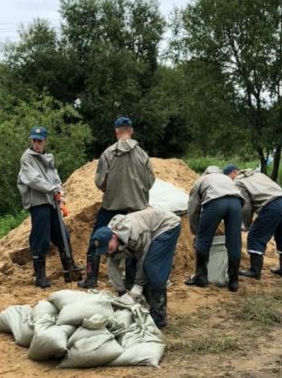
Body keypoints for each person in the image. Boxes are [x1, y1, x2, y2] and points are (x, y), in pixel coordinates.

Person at [77, 116, 155, 289]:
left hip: (112, 206)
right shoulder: (143, 155)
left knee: (97, 239)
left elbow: (100, 182)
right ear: (131, 131)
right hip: (136, 209)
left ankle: (91, 277)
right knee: (133, 244)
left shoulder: (108, 153)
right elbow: (150, 181)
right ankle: (131, 280)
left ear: (116, 132)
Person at [92, 207, 181, 329]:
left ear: (113, 237)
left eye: (108, 247)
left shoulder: (134, 233)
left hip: (165, 225)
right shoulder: (109, 238)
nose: (107, 251)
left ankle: (159, 318)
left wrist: (138, 285)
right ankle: (145, 306)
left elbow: (143, 256)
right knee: (131, 270)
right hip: (147, 234)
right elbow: (112, 264)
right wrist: (122, 292)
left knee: (152, 267)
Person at [17, 125, 81, 288]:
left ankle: (70, 268)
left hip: (52, 201)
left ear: (45, 141)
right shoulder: (27, 158)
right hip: (39, 203)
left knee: (62, 235)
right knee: (41, 239)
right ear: (31, 140)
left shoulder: (48, 158)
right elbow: (33, 179)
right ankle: (40, 276)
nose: (37, 143)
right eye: (34, 140)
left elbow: (56, 180)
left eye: (40, 141)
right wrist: (53, 190)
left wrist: (61, 197)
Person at [224, 165, 282, 280]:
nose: (229, 182)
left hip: (271, 207)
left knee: (255, 237)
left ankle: (255, 271)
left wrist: (245, 225)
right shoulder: (258, 174)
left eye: (228, 178)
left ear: (234, 173)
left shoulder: (238, 182)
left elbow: (246, 207)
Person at [185, 166, 244, 292]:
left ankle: (200, 278)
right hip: (236, 203)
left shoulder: (201, 180)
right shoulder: (226, 179)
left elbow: (193, 207)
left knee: (203, 240)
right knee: (234, 242)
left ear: (205, 173)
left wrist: (196, 229)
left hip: (215, 202)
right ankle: (233, 281)